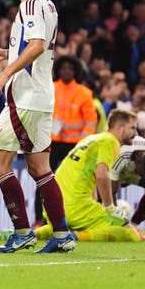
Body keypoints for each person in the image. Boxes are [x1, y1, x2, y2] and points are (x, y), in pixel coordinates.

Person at [0, 0, 75, 253]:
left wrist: (5, 72)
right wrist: (4, 52)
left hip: (26, 99)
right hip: (42, 97)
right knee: (40, 168)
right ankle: (62, 236)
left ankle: (22, 232)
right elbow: (35, 50)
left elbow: (36, 46)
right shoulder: (48, 6)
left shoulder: (29, 6)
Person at [35, 109, 144, 242]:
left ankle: (36, 234)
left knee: (70, 225)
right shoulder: (110, 141)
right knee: (131, 234)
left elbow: (91, 177)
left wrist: (95, 205)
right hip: (76, 208)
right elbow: (101, 175)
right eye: (132, 128)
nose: (136, 133)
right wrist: (110, 208)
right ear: (119, 128)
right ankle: (74, 237)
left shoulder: (91, 139)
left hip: (53, 206)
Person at [34, 54, 97, 221]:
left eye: (70, 68)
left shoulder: (84, 93)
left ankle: (71, 218)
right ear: (58, 70)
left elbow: (91, 120)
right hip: (51, 142)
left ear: (76, 71)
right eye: (63, 68)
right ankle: (39, 218)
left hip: (75, 146)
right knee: (43, 178)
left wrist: (83, 142)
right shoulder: (50, 87)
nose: (67, 71)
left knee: (74, 183)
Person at [110, 135, 145, 239]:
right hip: (113, 170)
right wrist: (117, 225)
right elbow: (111, 192)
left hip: (133, 174)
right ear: (139, 161)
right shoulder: (122, 155)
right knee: (102, 194)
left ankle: (134, 225)